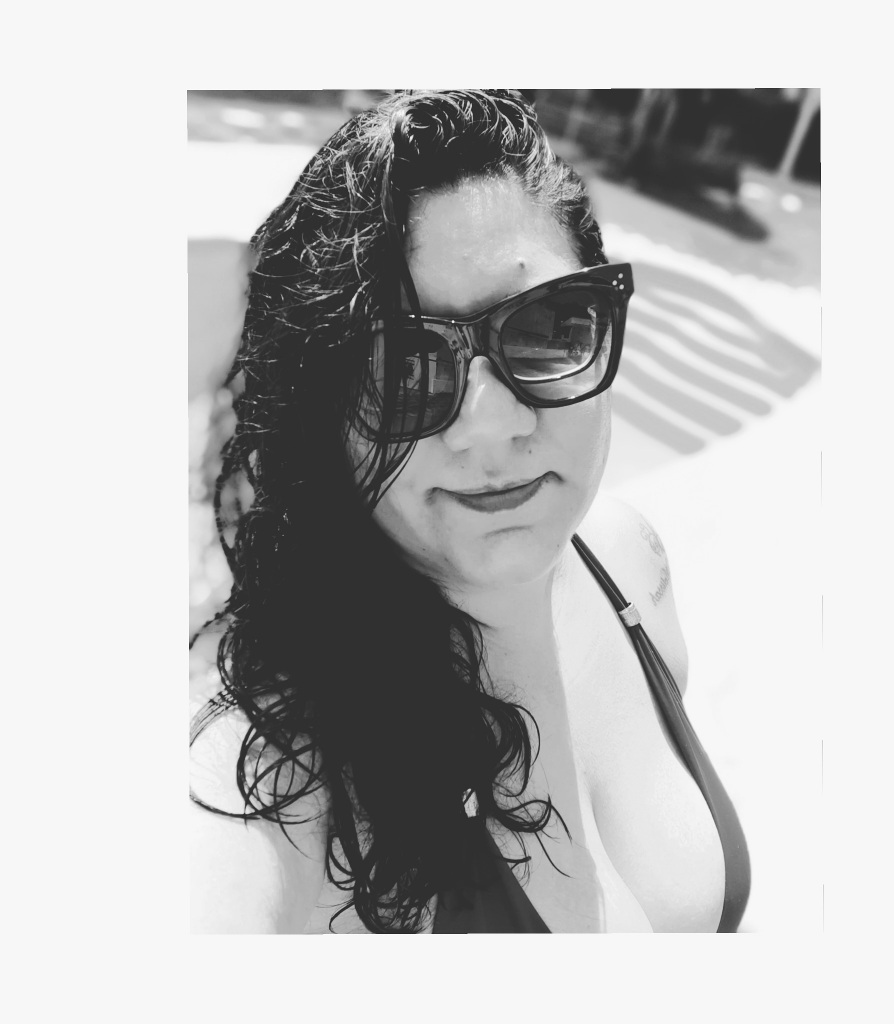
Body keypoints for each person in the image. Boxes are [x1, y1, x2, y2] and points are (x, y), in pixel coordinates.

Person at [189, 89, 750, 933]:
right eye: (401, 368)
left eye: (547, 328)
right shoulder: (283, 774)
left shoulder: (628, 562)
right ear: (322, 417)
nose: (492, 424)